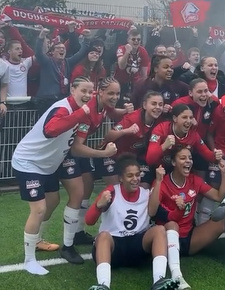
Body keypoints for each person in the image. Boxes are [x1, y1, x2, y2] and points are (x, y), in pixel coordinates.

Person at [11, 76, 93, 275]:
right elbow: (51, 130)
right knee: (39, 209)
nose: (87, 95)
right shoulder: (63, 108)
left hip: (47, 166)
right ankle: (29, 260)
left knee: (53, 201)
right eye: (83, 90)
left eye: (90, 92)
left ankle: (37, 240)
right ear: (72, 90)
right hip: (28, 163)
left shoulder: (82, 111)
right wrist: (81, 114)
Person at [58, 77, 130, 264]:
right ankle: (67, 245)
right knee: (78, 193)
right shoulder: (88, 111)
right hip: (64, 151)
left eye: (118, 93)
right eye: (111, 93)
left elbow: (113, 111)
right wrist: (103, 153)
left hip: (74, 150)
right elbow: (76, 147)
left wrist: (126, 111)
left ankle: (79, 232)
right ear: (100, 92)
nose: (115, 97)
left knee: (87, 189)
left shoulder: (103, 105)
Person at [86, 153, 179, 290]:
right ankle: (103, 285)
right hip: (114, 249)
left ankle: (158, 281)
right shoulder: (111, 192)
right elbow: (89, 221)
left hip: (137, 248)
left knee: (159, 230)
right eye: (130, 176)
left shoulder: (146, 193)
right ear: (120, 178)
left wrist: (159, 182)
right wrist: (98, 205)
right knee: (103, 236)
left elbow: (155, 213)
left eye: (138, 174)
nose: (135, 179)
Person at [150, 148, 225, 289]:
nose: (188, 161)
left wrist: (223, 172)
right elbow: (151, 211)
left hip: (189, 238)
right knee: (173, 224)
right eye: (183, 158)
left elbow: (219, 196)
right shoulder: (163, 182)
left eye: (190, 158)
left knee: (223, 221)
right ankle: (177, 276)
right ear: (173, 162)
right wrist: (158, 182)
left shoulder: (195, 180)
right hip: (166, 239)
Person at [100, 91, 165, 188]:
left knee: (143, 188)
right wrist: (126, 131)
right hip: (113, 156)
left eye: (161, 104)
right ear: (144, 105)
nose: (158, 107)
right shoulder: (132, 118)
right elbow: (108, 136)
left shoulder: (160, 120)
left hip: (135, 159)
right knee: (117, 190)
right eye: (153, 104)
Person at [146, 104, 223, 172]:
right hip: (159, 169)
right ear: (175, 118)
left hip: (179, 170)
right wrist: (164, 146)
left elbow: (207, 154)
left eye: (191, 117)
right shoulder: (161, 129)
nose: (189, 121)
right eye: (184, 117)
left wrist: (216, 155)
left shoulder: (193, 135)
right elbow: (149, 159)